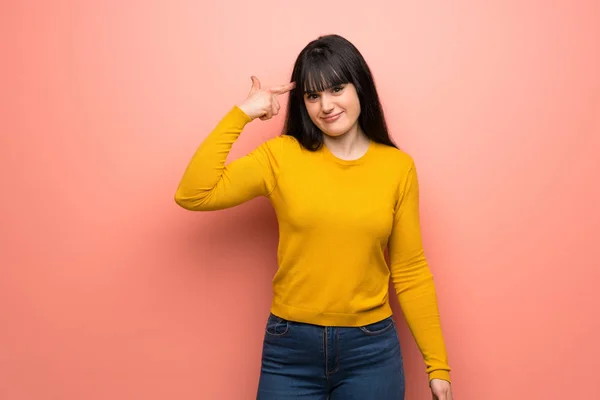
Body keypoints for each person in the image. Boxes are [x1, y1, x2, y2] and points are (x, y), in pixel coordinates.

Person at [174, 34, 453, 400]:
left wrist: (438, 367)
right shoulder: (280, 157)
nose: (326, 105)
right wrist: (242, 113)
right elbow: (193, 193)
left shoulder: (397, 168)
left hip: (370, 351)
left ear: (360, 87)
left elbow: (410, 270)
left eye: (337, 88)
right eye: (312, 95)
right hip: (290, 349)